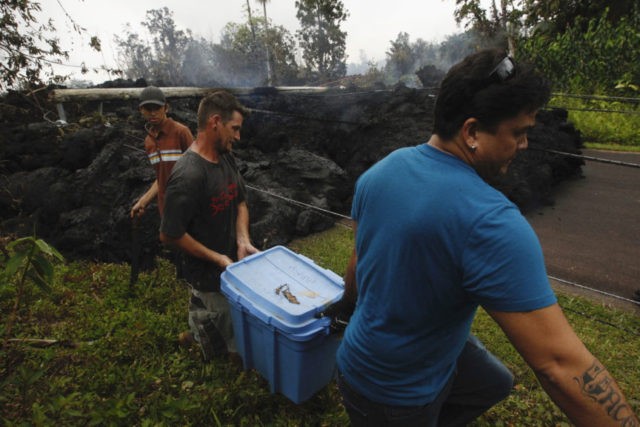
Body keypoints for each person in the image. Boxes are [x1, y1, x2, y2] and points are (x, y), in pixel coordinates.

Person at [327, 49, 639, 426]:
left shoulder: (382, 171)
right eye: (518, 133)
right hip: (395, 397)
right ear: (472, 132)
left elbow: (358, 263)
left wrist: (344, 307)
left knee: (495, 382)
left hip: (357, 358)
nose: (524, 145)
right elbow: (560, 364)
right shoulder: (490, 223)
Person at [159, 90, 259, 362]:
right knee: (228, 353)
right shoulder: (189, 175)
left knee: (242, 335)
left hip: (232, 268)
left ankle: (201, 329)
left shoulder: (225, 155)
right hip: (208, 277)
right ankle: (200, 333)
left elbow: (240, 200)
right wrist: (217, 258)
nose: (238, 137)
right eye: (234, 129)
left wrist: (242, 240)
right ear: (215, 122)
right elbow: (169, 234)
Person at [131, 86, 194, 218]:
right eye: (148, 109)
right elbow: (162, 177)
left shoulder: (181, 132)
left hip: (188, 206)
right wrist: (144, 201)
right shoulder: (149, 141)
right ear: (141, 110)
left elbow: (198, 168)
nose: (153, 113)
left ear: (166, 108)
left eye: (157, 108)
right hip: (166, 209)